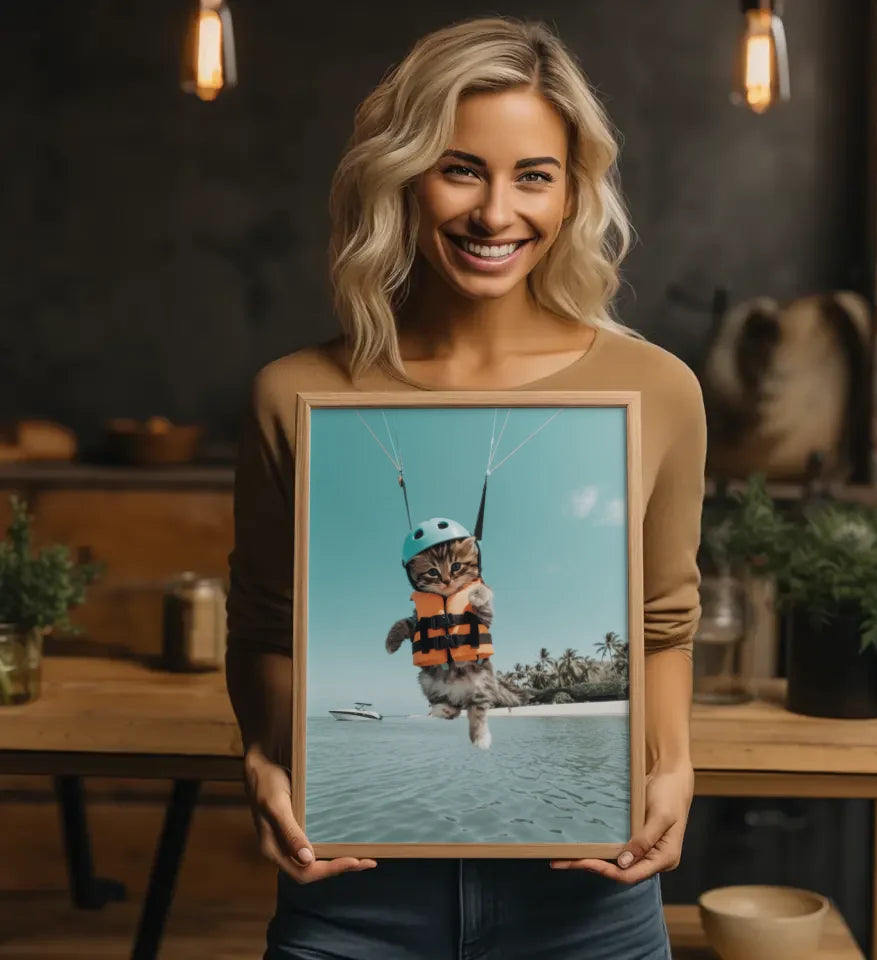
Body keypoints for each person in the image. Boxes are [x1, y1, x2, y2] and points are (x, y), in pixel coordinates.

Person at [226, 16, 705, 960]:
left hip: (585, 904)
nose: (496, 214)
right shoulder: (296, 395)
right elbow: (265, 626)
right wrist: (261, 754)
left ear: (572, 195)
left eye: (534, 175)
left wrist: (676, 766)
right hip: (352, 899)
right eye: (460, 169)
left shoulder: (658, 390)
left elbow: (663, 624)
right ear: (402, 178)